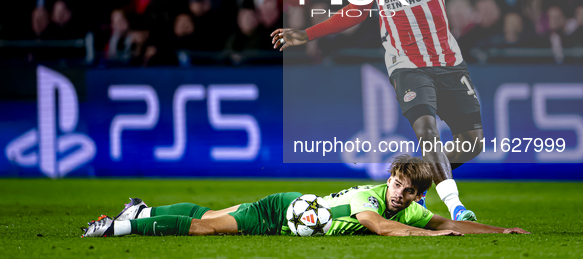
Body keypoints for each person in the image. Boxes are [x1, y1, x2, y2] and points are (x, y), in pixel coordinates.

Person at [271, 0, 495, 222]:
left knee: (473, 143)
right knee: (428, 132)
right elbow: (355, 10)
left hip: (448, 60)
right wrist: (307, 34)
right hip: (405, 63)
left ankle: (413, 179)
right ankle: (456, 207)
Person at [81, 156, 528, 237]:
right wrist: (429, 240)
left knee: (207, 213)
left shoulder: (408, 206)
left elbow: (448, 221)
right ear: (390, 176)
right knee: (203, 227)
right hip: (279, 213)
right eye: (399, 186)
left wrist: (498, 230)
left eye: (410, 193)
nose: (402, 196)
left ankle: (142, 211)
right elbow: (378, 226)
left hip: (290, 206)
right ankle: (115, 228)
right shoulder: (372, 199)